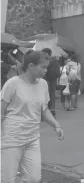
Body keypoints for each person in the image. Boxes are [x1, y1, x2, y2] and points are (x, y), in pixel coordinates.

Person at [1, 51, 64, 183]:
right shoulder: (13, 83)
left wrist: (56, 125)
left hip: (32, 138)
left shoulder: (43, 84)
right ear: (30, 66)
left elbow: (44, 109)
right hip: (12, 139)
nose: (46, 70)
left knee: (34, 178)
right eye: (43, 67)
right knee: (7, 179)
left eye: (47, 67)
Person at [41, 48, 61, 117]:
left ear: (46, 54)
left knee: (45, 96)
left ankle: (45, 113)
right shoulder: (55, 61)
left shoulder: (46, 61)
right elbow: (58, 73)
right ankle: (52, 112)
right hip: (53, 80)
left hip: (46, 80)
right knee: (51, 96)